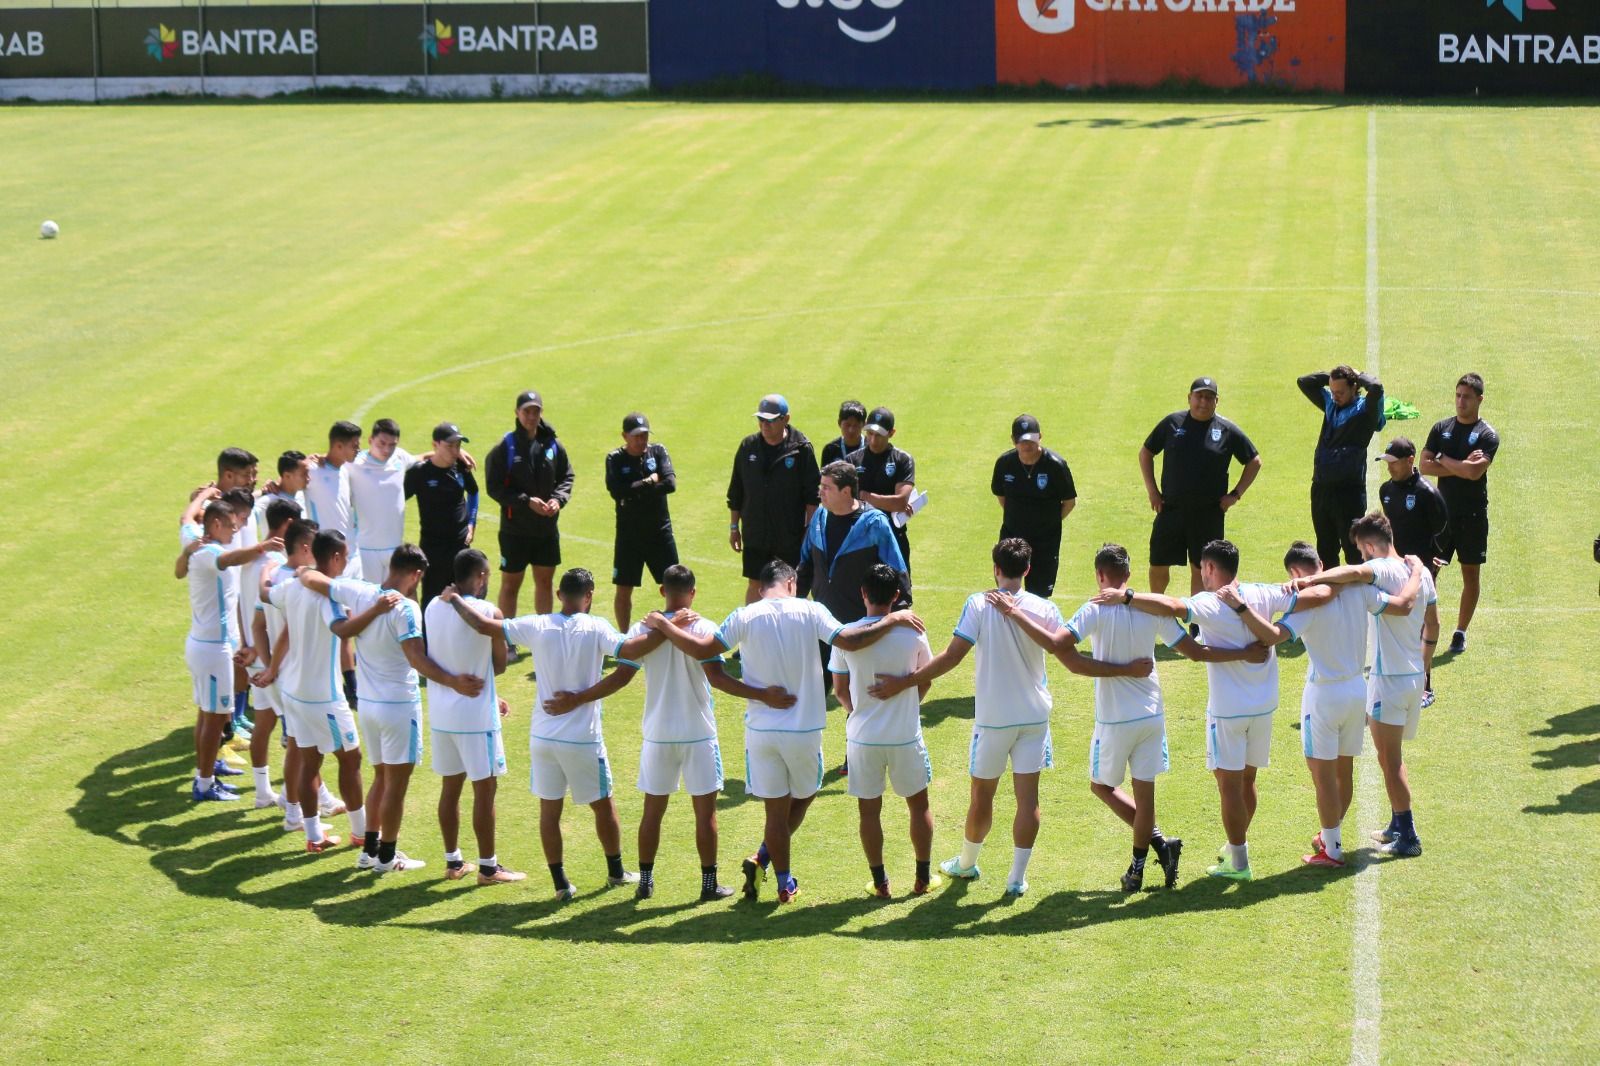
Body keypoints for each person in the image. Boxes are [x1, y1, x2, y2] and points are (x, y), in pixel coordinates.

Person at [645, 560, 922, 904]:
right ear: (792, 582)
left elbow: (704, 652)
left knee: (775, 812)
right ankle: (764, 859)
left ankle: (782, 881)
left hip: (761, 730)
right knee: (805, 795)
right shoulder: (811, 610)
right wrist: (893, 618)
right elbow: (850, 641)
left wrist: (663, 624)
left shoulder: (745, 615)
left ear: (761, 589)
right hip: (804, 729)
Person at [999, 543, 1268, 891]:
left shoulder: (1093, 609)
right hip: (1152, 715)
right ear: (1128, 575)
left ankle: (1156, 847)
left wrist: (1015, 613)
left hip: (1114, 719)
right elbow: (1196, 653)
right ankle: (1141, 866)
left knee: (1101, 786)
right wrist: (1245, 652)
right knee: (1146, 799)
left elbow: (1056, 644)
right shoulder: (1151, 610)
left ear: (1100, 575)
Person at [871, 539, 1075, 897]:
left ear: (996, 568)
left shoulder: (979, 604)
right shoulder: (1045, 608)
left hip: (994, 720)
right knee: (1029, 800)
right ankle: (1016, 879)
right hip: (1034, 717)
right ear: (1027, 569)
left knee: (982, 797)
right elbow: (1060, 650)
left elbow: (952, 657)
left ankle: (967, 863)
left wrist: (907, 682)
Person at [450, 568, 658, 900]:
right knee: (603, 806)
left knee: (550, 810)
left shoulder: (536, 624)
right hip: (583, 739)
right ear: (589, 596)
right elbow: (630, 653)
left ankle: (560, 883)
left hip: (543, 738)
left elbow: (482, 625)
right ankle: (616, 872)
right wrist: (666, 629)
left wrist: (455, 599)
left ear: (559, 594)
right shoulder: (597, 627)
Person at [1224, 539, 1423, 867]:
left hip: (1324, 696)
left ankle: (1331, 850)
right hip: (1357, 691)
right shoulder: (1358, 589)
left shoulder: (1307, 604)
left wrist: (1242, 610)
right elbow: (1403, 605)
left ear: (1293, 571)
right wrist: (1416, 570)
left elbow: (1272, 636)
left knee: (1323, 776)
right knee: (1344, 772)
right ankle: (1331, 836)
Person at [298, 544, 486, 874]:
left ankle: (369, 851)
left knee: (381, 779)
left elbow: (313, 578)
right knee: (395, 787)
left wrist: (301, 571)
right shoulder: (407, 609)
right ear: (415, 574)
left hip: (368, 707)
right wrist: (453, 681)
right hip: (399, 707)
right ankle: (387, 856)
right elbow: (417, 660)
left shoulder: (358, 591)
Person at [1116, 539, 1294, 882]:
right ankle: (1235, 846)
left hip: (1228, 711)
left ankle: (1238, 862)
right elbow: (1298, 595)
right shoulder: (1263, 592)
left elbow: (1169, 605)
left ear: (1210, 568)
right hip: (1264, 705)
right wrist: (1304, 580)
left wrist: (1126, 596)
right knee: (1246, 780)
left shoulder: (1210, 603)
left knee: (1228, 785)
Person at [624, 565, 796, 901]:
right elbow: (719, 679)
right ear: (693, 592)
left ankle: (645, 881)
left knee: (652, 812)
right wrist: (763, 695)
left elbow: (627, 659)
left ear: (662, 591)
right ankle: (708, 885)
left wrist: (662, 624)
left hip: (658, 734)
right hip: (698, 734)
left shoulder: (643, 628)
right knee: (705, 814)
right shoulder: (702, 627)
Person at [1291, 514, 1438, 858]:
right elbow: (1433, 623)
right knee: (1391, 757)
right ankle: (1397, 824)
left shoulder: (1382, 571)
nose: (1361, 558)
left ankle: (1409, 834)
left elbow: (1356, 574)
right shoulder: (1422, 572)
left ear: (1371, 546)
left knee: (1391, 761)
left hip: (1388, 679)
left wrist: (1308, 580)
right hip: (1414, 676)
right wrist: (1425, 669)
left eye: (1361, 550)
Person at [262, 530, 376, 853]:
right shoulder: (329, 597)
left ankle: (314, 836)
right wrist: (374, 613)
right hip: (323, 697)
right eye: (346, 556)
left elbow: (265, 594)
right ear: (336, 558)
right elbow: (342, 630)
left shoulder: (293, 585)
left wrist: (265, 570)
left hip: (292, 690)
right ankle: (361, 833)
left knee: (309, 762)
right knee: (351, 758)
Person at [829, 565, 938, 898]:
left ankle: (880, 884)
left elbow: (839, 691)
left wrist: (860, 711)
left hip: (862, 738)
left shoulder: (846, 637)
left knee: (868, 811)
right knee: (919, 806)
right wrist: (906, 705)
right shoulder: (914, 632)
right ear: (896, 596)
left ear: (863, 594)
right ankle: (921, 879)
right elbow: (926, 679)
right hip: (906, 735)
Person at [428, 550, 523, 884]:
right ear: (481, 576)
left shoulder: (431, 606)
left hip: (442, 715)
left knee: (450, 788)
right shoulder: (488, 611)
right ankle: (488, 868)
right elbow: (498, 665)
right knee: (485, 791)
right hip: (475, 717)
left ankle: (453, 862)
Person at [183, 499, 280, 802]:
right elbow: (233, 558)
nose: (235, 533)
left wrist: (202, 496)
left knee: (207, 715)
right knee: (215, 718)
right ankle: (204, 783)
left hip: (207, 645)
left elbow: (185, 519)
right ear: (214, 524)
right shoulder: (210, 552)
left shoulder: (194, 543)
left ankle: (207, 771)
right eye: (231, 527)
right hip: (213, 649)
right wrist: (262, 547)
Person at [1138, 377, 1262, 598]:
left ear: (1217, 401)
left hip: (1208, 513)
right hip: (1170, 509)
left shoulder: (1226, 430)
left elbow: (1254, 461)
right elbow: (1146, 452)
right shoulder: (1172, 423)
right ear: (1189, 398)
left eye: (1209, 397)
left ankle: (1197, 625)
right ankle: (1157, 611)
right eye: (1199, 396)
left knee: (1202, 568)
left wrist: (1235, 494)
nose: (1203, 402)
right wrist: (1152, 491)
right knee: (1158, 563)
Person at [1421, 373, 1500, 655]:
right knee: (1430, 573)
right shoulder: (1441, 427)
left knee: (1471, 573)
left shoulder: (1488, 435)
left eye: (1467, 397)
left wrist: (1444, 460)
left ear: (1480, 399)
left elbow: (1474, 472)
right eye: (1458, 395)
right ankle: (1423, 626)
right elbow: (1425, 465)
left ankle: (1459, 632)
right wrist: (1458, 466)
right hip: (1442, 516)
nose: (1461, 402)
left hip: (1472, 516)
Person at [484, 390, 573, 625]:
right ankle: (508, 639)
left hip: (546, 529)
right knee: (511, 584)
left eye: (536, 411)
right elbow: (494, 487)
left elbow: (567, 476)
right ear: (517, 413)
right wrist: (526, 501)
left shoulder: (552, 444)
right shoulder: (506, 447)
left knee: (545, 583)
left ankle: (542, 635)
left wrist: (558, 499)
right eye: (527, 411)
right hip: (515, 530)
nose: (531, 416)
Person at [727, 394, 821, 605]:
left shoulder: (801, 449)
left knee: (792, 584)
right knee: (755, 583)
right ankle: (752, 634)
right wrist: (734, 527)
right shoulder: (748, 447)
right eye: (761, 420)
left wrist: (808, 531)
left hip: (789, 534)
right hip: (756, 532)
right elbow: (736, 490)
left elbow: (812, 496)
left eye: (770, 420)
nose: (764, 425)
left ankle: (794, 635)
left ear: (785, 419)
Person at [242, 497, 302, 809]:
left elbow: (251, 614)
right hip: (271, 660)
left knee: (268, 724)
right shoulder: (275, 566)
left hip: (263, 659)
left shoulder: (261, 562)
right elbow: (257, 614)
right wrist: (266, 663)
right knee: (298, 739)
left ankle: (264, 791)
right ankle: (297, 806)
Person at [798, 462, 908, 627]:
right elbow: (805, 566)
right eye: (821, 486)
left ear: (846, 491)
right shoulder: (819, 518)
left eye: (827, 487)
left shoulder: (874, 524)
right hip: (822, 628)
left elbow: (896, 572)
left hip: (861, 628)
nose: (820, 492)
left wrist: (900, 615)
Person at [1298, 365, 1386, 568]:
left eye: (1341, 392)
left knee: (1354, 550)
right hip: (1321, 488)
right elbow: (1304, 381)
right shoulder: (1330, 404)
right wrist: (1332, 375)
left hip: (1349, 492)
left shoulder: (1366, 412)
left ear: (1355, 388)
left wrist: (1358, 374)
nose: (1335, 396)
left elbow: (1376, 387)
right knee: (1325, 551)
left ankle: (1358, 597)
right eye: (1332, 391)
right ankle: (1332, 598)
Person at [605, 413, 679, 632]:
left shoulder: (658, 451)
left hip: (660, 532)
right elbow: (617, 492)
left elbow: (670, 484)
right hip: (629, 535)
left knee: (674, 585)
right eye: (636, 436)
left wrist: (634, 491)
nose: (642, 440)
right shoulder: (615, 459)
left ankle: (675, 632)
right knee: (624, 588)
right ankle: (624, 637)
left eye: (645, 435)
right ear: (624, 436)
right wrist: (649, 481)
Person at [990, 415, 1076, 598]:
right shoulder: (1005, 464)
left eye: (1031, 439)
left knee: (1039, 596)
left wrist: (1048, 521)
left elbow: (1069, 502)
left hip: (1045, 541)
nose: (1027, 445)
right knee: (1006, 593)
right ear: (1014, 440)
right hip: (1012, 537)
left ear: (1040, 437)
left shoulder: (1056, 465)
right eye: (1022, 440)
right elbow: (1001, 495)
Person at [405, 423, 478, 619]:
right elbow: (396, 498)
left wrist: (472, 523)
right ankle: (428, 645)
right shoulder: (419, 473)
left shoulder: (461, 468)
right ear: (435, 445)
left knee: (464, 598)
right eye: (450, 446)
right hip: (433, 549)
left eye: (458, 446)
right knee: (432, 600)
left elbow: (473, 492)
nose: (455, 451)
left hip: (461, 546)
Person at [846, 406, 917, 569]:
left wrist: (864, 496)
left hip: (893, 536)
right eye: (869, 433)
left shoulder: (902, 460)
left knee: (899, 588)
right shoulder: (852, 460)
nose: (873, 439)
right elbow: (845, 500)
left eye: (879, 435)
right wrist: (885, 501)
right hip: (860, 537)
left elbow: (900, 502)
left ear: (891, 433)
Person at [348, 418, 414, 586]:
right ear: (370, 440)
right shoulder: (354, 463)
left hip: (395, 548)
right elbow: (328, 463)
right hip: (366, 550)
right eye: (382, 443)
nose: (387, 449)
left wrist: (456, 452)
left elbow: (422, 458)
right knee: (370, 602)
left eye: (392, 444)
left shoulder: (400, 457)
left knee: (393, 602)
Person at [252, 450, 309, 541]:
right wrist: (261, 492)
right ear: (287, 476)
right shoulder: (268, 501)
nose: (308, 478)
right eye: (304, 475)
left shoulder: (304, 494)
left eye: (308, 473)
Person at [821, 400, 867, 467]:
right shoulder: (830, 450)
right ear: (839, 423)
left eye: (856, 425)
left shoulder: (871, 447)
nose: (851, 430)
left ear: (864, 425)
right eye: (847, 425)